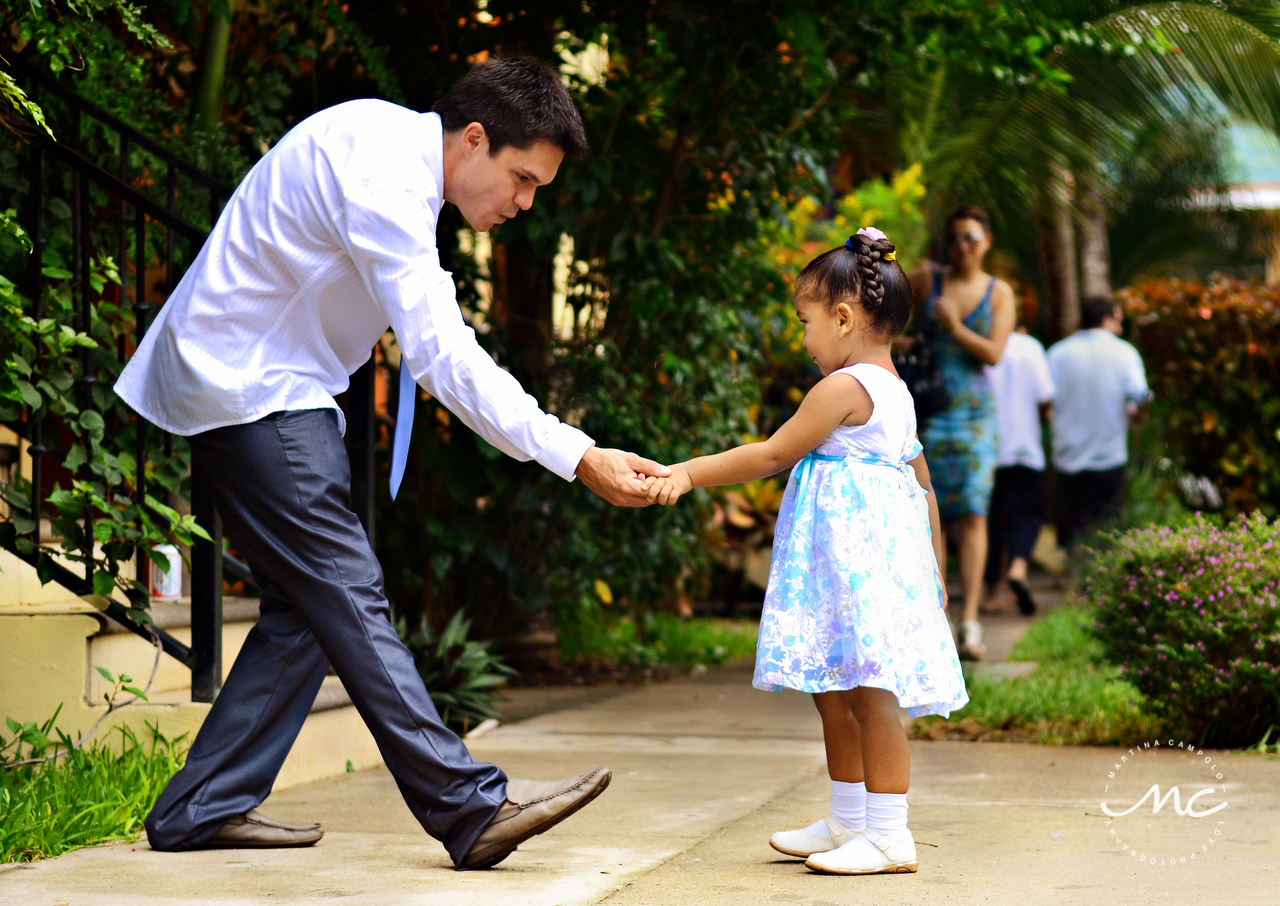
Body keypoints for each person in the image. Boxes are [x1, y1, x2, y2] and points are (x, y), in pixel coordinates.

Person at [115, 57, 668, 870]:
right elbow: (443, 354)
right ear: (473, 139)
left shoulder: (392, 159)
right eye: (521, 179)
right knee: (344, 584)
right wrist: (577, 454)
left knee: (308, 609)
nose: (523, 202)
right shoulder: (380, 169)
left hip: (261, 381)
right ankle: (468, 808)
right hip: (251, 384)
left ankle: (202, 806)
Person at [644, 227, 968, 876]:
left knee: (870, 695)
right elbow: (922, 486)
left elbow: (772, 455)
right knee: (836, 691)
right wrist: (932, 569)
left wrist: (686, 471)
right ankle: (849, 817)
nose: (802, 337)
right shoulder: (896, 393)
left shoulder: (844, 390)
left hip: (861, 574)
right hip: (850, 573)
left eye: (805, 322)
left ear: (844, 318)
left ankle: (889, 834)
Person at [906, 207, 1015, 659]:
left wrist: (954, 328)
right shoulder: (926, 281)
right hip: (929, 411)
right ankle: (939, 617)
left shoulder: (999, 291)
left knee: (972, 513)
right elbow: (884, 322)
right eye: (954, 239)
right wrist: (904, 341)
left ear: (987, 241)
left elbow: (993, 353)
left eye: (971, 238)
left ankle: (970, 620)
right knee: (931, 513)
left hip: (975, 416)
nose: (962, 246)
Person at [1047, 295, 1151, 548]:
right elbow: (1140, 394)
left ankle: (1072, 575)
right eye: (1118, 321)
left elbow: (1044, 399)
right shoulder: (1124, 352)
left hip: (1068, 454)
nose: (1121, 328)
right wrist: (1138, 415)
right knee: (1104, 526)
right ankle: (1095, 576)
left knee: (1072, 524)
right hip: (1108, 455)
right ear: (1106, 319)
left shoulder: (1058, 353)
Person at [983, 323, 1054, 615]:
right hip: (1025, 448)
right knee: (1027, 515)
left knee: (990, 523)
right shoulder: (1030, 346)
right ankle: (1019, 567)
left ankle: (992, 591)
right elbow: (1046, 397)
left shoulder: (980, 344)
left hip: (988, 449)